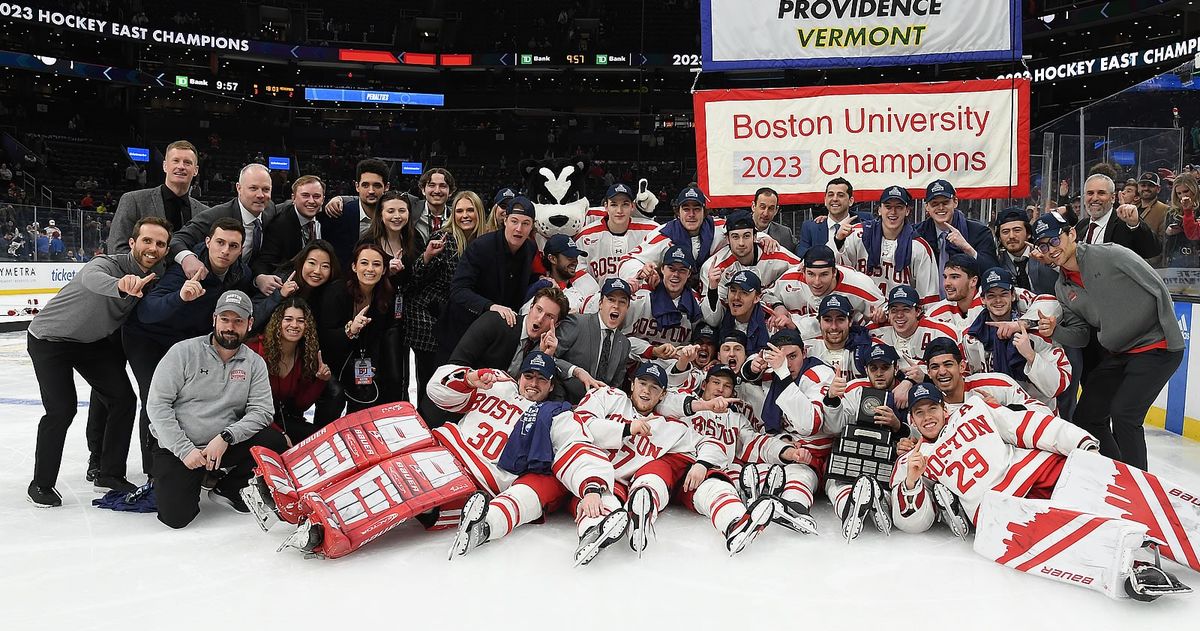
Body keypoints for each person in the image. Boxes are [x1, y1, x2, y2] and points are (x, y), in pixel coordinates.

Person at [891, 384, 1194, 601]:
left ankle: (1185, 527)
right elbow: (913, 522)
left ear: (945, 408)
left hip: (1040, 470)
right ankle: (1133, 565)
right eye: (919, 413)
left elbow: (1025, 424)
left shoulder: (974, 410)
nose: (927, 416)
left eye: (933, 407)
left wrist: (1079, 443)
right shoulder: (912, 460)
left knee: (1113, 490)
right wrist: (912, 483)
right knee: (1032, 525)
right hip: (1002, 508)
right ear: (911, 420)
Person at [26, 217, 170, 506]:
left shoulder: (158, 275)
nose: (153, 248)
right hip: (49, 340)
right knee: (62, 410)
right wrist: (122, 285)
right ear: (132, 243)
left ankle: (110, 474)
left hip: (91, 344)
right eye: (147, 240)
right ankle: (40, 484)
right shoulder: (106, 265)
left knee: (123, 399)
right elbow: (93, 280)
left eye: (160, 243)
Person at [1032, 212, 1185, 471]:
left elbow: (1157, 286)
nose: (1051, 249)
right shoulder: (1062, 287)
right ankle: (1121, 472)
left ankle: (1142, 489)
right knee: (1087, 416)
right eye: (1044, 245)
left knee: (1124, 415)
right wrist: (1054, 331)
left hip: (1157, 348)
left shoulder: (1110, 254)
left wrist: (1169, 336)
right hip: (1120, 354)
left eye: (1054, 240)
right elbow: (1080, 335)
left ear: (1071, 234)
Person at [443, 351, 618, 561]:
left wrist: (591, 486)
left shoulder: (554, 414)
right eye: (529, 376)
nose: (533, 383)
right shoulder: (495, 384)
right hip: (445, 453)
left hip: (480, 480)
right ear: (519, 377)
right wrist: (469, 379)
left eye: (542, 379)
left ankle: (487, 524)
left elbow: (575, 446)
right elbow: (439, 393)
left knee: (546, 479)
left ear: (551, 386)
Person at [146, 290, 288, 528]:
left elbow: (262, 411)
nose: (230, 327)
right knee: (176, 518)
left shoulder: (254, 363)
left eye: (238, 321)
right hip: (182, 448)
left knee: (273, 441)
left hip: (221, 446)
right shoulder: (183, 352)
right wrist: (184, 450)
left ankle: (227, 488)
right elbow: (158, 405)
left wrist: (226, 437)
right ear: (214, 319)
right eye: (225, 319)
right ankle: (196, 476)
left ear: (249, 324)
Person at [124, 217, 254, 476]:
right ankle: (154, 472)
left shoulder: (240, 273)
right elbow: (146, 312)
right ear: (207, 242)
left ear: (241, 249)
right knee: (157, 397)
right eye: (219, 243)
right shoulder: (184, 269)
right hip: (148, 338)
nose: (225, 251)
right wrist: (180, 297)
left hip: (185, 343)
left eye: (232, 245)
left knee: (196, 397)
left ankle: (198, 458)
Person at [407, 190, 490, 420]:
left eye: (470, 210)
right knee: (432, 382)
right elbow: (415, 279)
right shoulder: (445, 237)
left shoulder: (486, 240)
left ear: (479, 212)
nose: (465, 215)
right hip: (430, 322)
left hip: (461, 323)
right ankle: (426, 425)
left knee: (456, 379)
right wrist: (426, 257)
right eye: (459, 211)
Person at [439, 196, 538, 353]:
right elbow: (458, 290)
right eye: (514, 221)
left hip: (498, 336)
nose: (519, 228)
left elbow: (518, 281)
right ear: (505, 221)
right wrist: (490, 306)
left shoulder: (530, 248)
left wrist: (542, 280)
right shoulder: (481, 246)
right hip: (462, 331)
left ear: (532, 226)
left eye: (525, 223)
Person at [962, 268, 1072, 409]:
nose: (998, 301)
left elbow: (1057, 386)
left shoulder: (1036, 334)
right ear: (983, 300)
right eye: (991, 296)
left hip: (1038, 414)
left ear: (1013, 295)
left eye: (1004, 294)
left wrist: (1031, 356)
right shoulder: (972, 337)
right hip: (996, 414)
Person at [315, 244, 394, 424]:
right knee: (335, 395)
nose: (370, 269)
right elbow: (325, 338)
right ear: (354, 266)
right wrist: (350, 330)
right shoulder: (336, 292)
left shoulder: (383, 296)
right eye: (364, 263)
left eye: (376, 264)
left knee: (369, 392)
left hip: (358, 360)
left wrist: (371, 366)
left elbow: (377, 337)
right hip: (328, 359)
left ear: (383, 270)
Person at [170, 163, 279, 293]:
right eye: (253, 188)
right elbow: (176, 239)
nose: (260, 195)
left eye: (266, 189)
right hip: (206, 289)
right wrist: (188, 259)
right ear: (238, 188)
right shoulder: (217, 215)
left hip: (246, 287)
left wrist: (259, 277)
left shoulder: (270, 210)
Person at [831, 185, 939, 303]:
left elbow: (929, 297)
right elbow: (833, 272)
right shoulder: (857, 234)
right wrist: (838, 240)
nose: (893, 212)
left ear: (907, 211)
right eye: (888, 207)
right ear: (879, 209)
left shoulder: (919, 247)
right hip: (860, 313)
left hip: (900, 315)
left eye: (899, 207)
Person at [246, 297, 332, 444]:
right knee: (279, 442)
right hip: (251, 422)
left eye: (300, 320)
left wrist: (320, 381)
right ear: (277, 322)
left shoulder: (305, 354)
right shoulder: (255, 350)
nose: (294, 325)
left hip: (281, 420)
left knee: (322, 439)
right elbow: (247, 406)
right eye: (288, 319)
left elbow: (301, 404)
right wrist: (281, 434)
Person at [361, 190, 420, 402]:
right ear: (381, 214)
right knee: (369, 372)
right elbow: (358, 275)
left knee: (397, 376)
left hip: (402, 319)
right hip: (373, 316)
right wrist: (386, 271)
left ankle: (395, 415)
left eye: (402, 211)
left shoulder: (415, 240)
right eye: (391, 211)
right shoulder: (368, 240)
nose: (397, 216)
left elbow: (418, 277)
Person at [106, 140, 208, 254]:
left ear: (196, 170)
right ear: (165, 166)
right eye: (175, 161)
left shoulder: (205, 213)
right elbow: (117, 248)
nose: (181, 166)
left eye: (187, 163)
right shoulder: (133, 201)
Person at [765, 245, 885, 338]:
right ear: (803, 271)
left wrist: (882, 316)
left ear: (834, 272)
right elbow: (766, 295)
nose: (817, 282)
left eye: (824, 274)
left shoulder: (859, 284)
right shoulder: (790, 279)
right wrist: (778, 306)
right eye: (811, 274)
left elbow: (885, 309)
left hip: (845, 343)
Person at [450, 285, 569, 376]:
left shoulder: (548, 347)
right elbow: (456, 365)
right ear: (531, 307)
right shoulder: (496, 322)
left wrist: (545, 357)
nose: (540, 318)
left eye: (549, 316)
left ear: (557, 324)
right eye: (539, 309)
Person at [921, 337, 1051, 415]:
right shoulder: (925, 405)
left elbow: (1043, 411)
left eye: (948, 364)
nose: (942, 371)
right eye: (935, 367)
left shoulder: (996, 383)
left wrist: (1002, 410)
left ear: (962, 367)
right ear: (928, 372)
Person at [552, 278, 633, 402]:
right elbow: (545, 356)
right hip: (561, 402)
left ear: (627, 308)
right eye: (611, 300)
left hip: (597, 412)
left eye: (622, 302)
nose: (616, 306)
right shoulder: (577, 323)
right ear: (600, 303)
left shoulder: (624, 344)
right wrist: (575, 371)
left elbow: (616, 387)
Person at [914, 179, 999, 294]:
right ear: (927, 207)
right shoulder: (917, 233)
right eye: (934, 204)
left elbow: (993, 273)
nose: (940, 208)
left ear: (955, 202)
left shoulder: (979, 232)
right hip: (929, 301)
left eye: (945, 203)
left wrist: (967, 248)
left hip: (970, 302)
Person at [699, 210, 801, 302]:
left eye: (746, 236)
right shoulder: (713, 268)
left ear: (755, 237)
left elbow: (804, 271)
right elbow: (712, 321)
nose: (741, 243)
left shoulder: (776, 254)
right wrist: (712, 289)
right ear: (727, 239)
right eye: (735, 237)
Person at [575, 183, 661, 286]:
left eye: (625, 204)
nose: (619, 210)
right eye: (614, 204)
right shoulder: (585, 236)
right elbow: (577, 271)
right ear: (606, 207)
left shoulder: (651, 231)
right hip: (599, 299)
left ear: (632, 206)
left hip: (640, 298)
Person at [251, 239, 340, 333]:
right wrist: (280, 295)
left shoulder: (331, 289)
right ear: (302, 262)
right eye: (312, 263)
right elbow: (252, 319)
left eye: (325, 266)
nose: (317, 271)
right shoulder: (282, 280)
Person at [318, 158, 390, 270]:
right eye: (365, 185)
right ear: (357, 186)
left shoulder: (394, 217)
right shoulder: (338, 215)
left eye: (377, 185)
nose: (371, 191)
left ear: (386, 187)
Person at [254, 175, 325, 278]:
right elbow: (265, 261)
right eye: (305, 195)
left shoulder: (328, 217)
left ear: (323, 199)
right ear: (293, 198)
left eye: (316, 196)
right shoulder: (279, 225)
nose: (311, 201)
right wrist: (261, 278)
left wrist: (339, 199)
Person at [1073, 173, 1160, 259]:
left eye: (1101, 193)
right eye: (1090, 193)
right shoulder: (1081, 226)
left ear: (1113, 198)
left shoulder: (1125, 223)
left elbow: (1152, 251)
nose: (1095, 198)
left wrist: (1135, 224)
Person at [702, 269, 771, 356]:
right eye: (733, 290)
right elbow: (711, 315)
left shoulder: (770, 322)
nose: (736, 297)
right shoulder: (723, 312)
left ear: (757, 298)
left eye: (744, 293)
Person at [523, 233, 598, 312]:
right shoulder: (539, 292)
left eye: (576, 257)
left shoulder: (584, 281)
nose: (575, 262)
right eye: (569, 257)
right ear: (552, 259)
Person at [994, 207, 1057, 295]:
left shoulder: (1046, 253)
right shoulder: (997, 263)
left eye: (1017, 230)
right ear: (999, 238)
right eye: (1005, 232)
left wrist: (1050, 262)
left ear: (1029, 234)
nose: (1011, 236)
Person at [797, 177, 862, 258]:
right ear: (825, 200)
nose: (834, 199)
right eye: (830, 195)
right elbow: (801, 257)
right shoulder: (810, 227)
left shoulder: (863, 223)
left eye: (840, 195)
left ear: (850, 201)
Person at [1162, 172, 1200, 268]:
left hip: (1197, 258)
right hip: (1176, 258)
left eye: (1186, 191)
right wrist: (1168, 233)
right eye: (1179, 193)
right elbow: (1164, 243)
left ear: (1194, 190)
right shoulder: (1172, 212)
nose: (1183, 196)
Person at [748, 186, 796, 252]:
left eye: (771, 208)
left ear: (776, 210)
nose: (765, 213)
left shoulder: (785, 233)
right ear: (753, 206)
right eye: (762, 207)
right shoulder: (739, 229)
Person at [1136, 171, 1170, 243]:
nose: (1146, 188)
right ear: (1138, 188)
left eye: (1151, 186)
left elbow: (1163, 241)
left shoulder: (1165, 210)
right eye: (1143, 185)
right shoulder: (1133, 208)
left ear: (1158, 189)